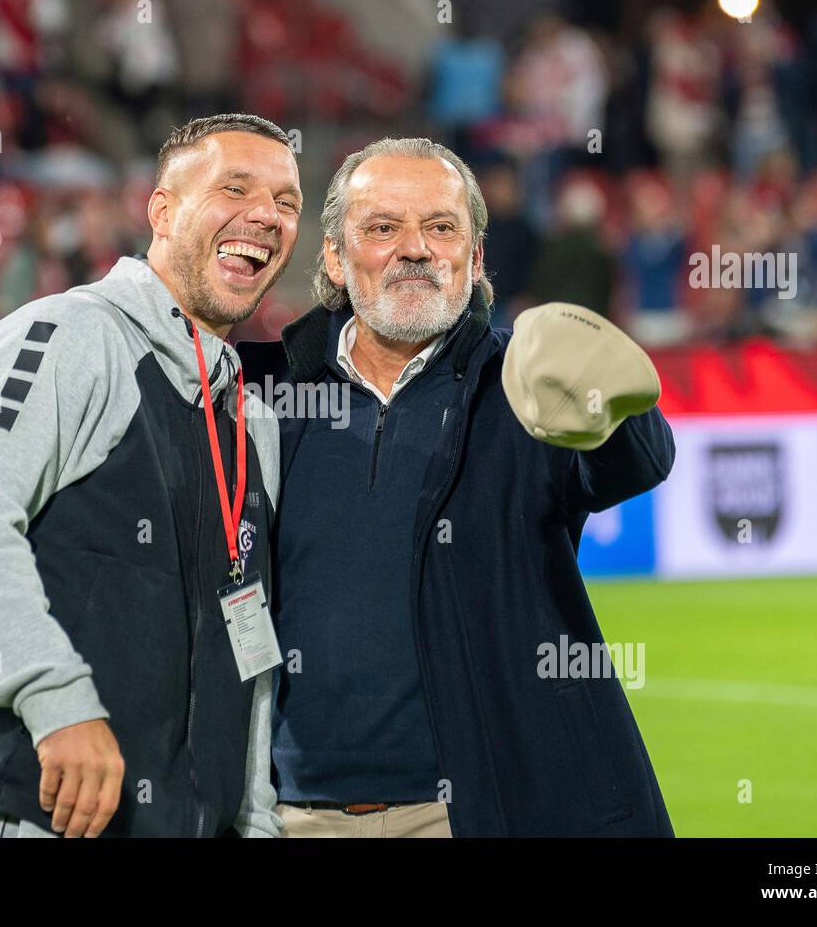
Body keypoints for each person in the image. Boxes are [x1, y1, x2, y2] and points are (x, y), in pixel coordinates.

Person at [238, 137, 676, 837]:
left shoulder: (522, 384)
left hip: (475, 811)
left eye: (441, 227)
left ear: (473, 259)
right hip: (288, 815)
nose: (415, 249)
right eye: (383, 228)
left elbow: (634, 461)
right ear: (333, 257)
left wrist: (608, 392)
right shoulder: (260, 391)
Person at [0, 114, 301, 838]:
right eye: (235, 188)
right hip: (23, 810)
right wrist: (60, 701)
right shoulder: (68, 334)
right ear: (163, 211)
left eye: (287, 202)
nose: (266, 216)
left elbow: (248, 641)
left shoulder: (253, 422)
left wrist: (253, 814)